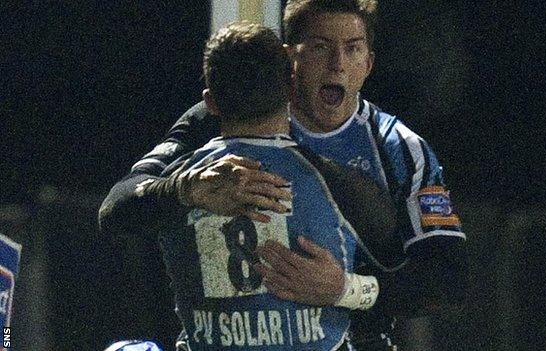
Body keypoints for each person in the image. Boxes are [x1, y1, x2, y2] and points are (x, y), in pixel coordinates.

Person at [99, 0, 468, 349]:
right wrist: (188, 188)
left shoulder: (398, 148)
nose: (338, 65)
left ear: (369, 63)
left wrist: (345, 288)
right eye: (322, 48)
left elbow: (446, 280)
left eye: (353, 48)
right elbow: (119, 203)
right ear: (291, 60)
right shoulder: (225, 114)